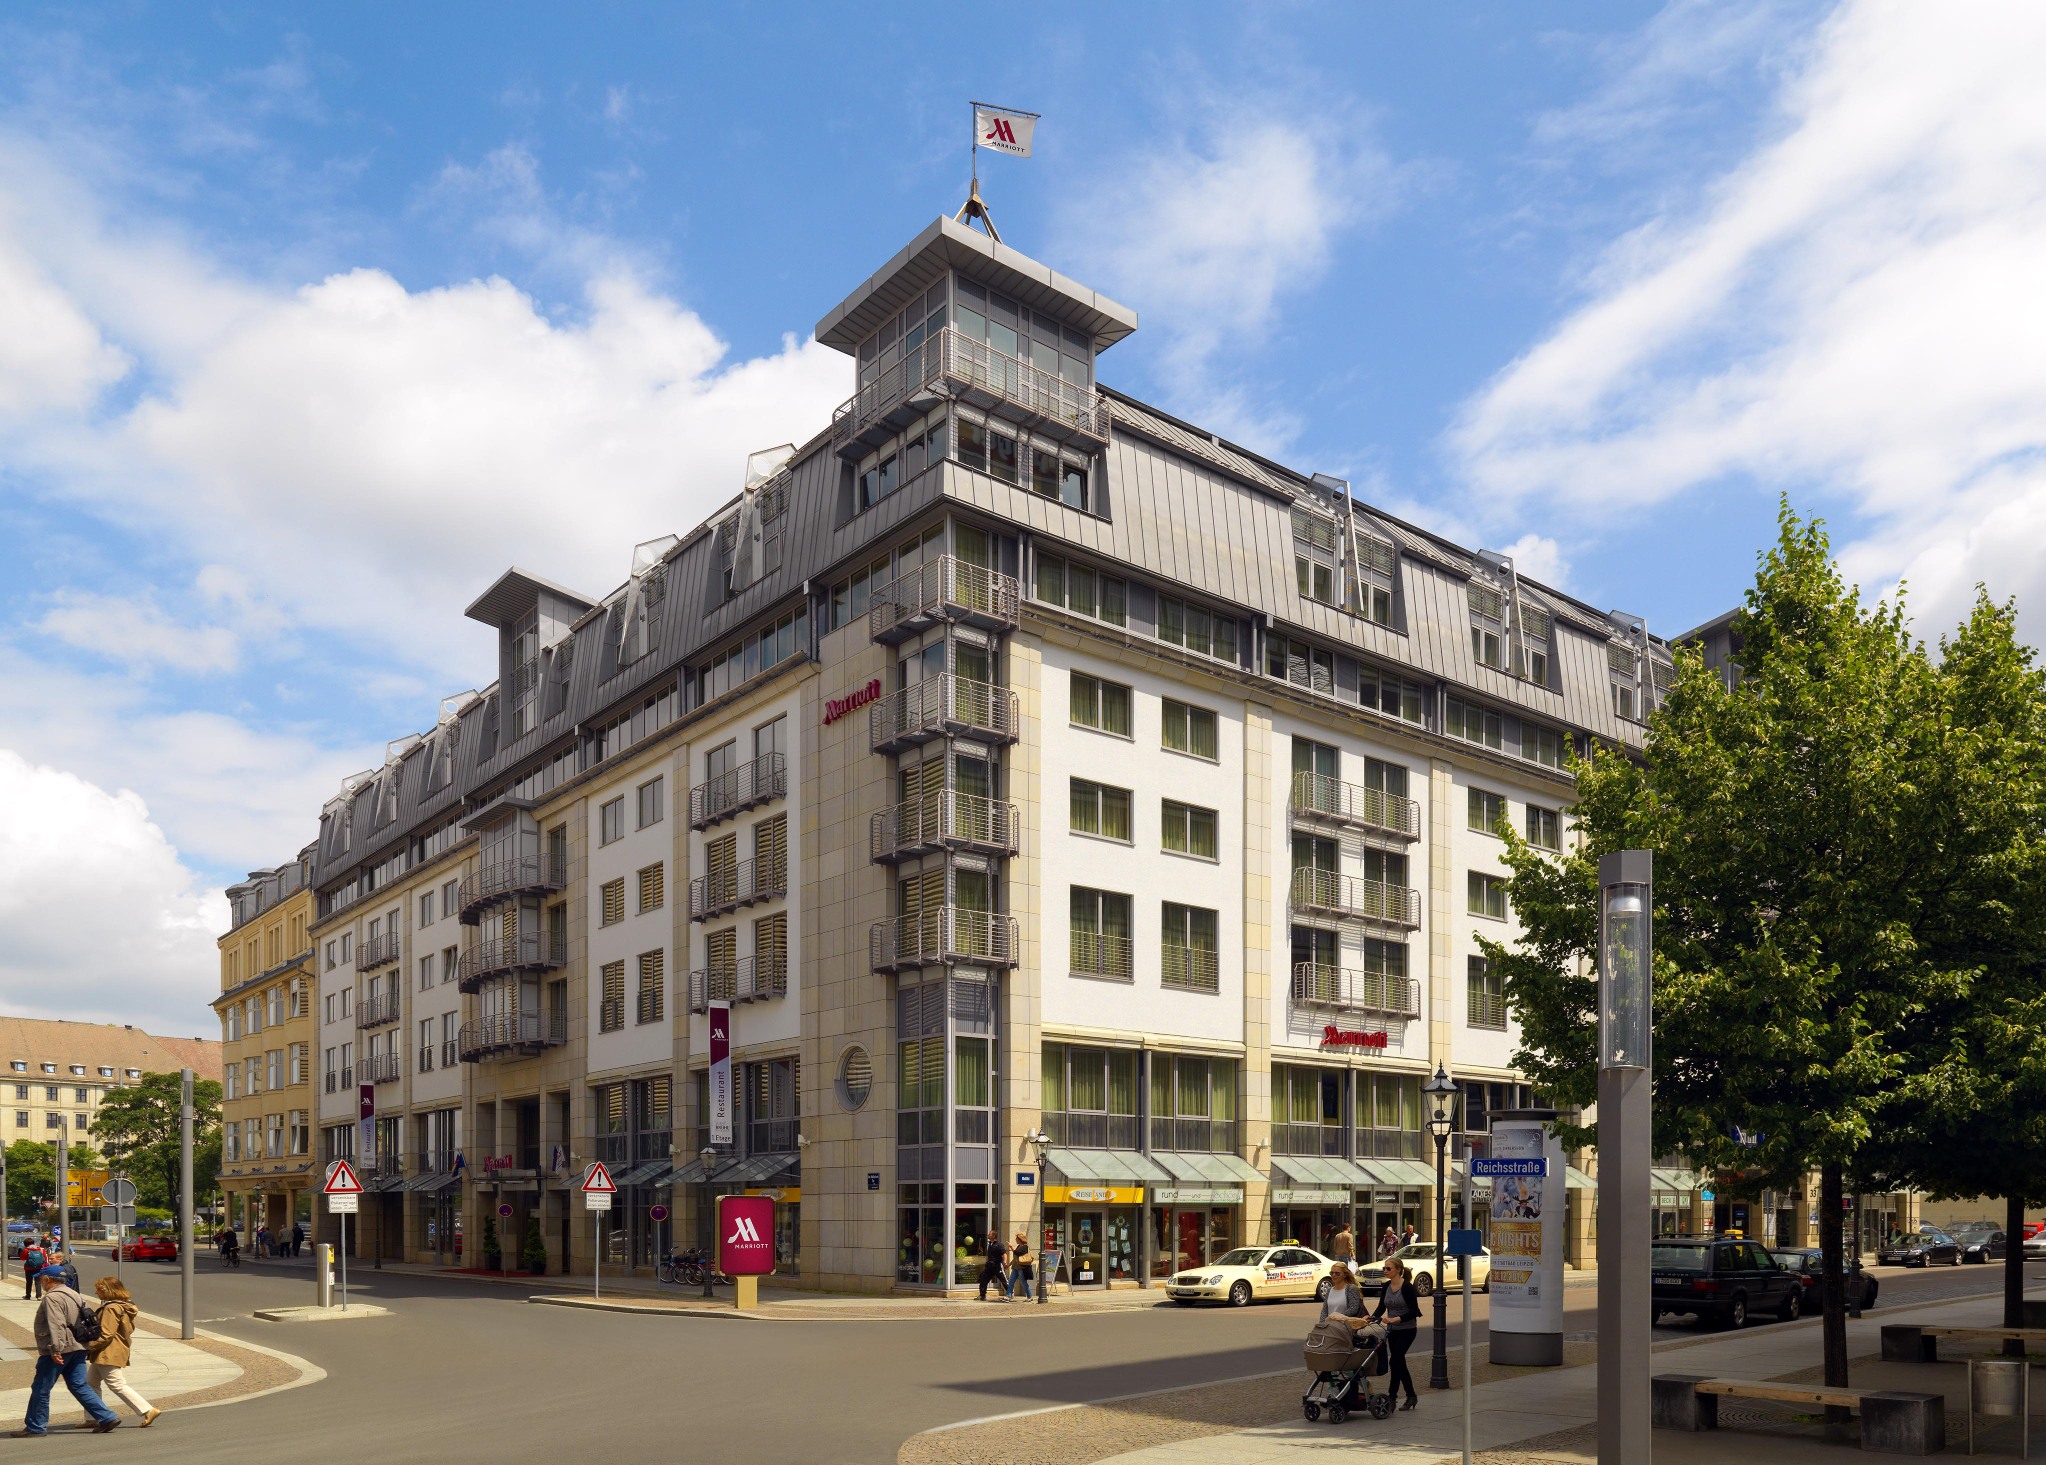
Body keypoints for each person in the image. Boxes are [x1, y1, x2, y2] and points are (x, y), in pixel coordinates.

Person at [10, 1266, 120, 1436]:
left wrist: (56, 1350)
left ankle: (36, 1426)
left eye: (41, 1278)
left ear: (48, 1279)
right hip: (78, 1346)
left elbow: (56, 1323)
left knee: (41, 1387)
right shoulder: (74, 1294)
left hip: (61, 1348)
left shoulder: (52, 1297)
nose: (40, 1281)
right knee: (79, 1385)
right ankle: (106, 1417)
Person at [86, 1277, 159, 1427]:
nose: (96, 1292)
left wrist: (88, 1346)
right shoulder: (124, 1306)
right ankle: (92, 1417)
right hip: (112, 1349)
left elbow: (106, 1334)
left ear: (108, 1290)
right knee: (90, 1384)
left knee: (116, 1384)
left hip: (108, 1351)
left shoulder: (111, 1308)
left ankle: (147, 1409)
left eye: (99, 1289)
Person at [1369, 1255, 1421, 1411]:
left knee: (1395, 1360)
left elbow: (1414, 1311)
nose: (1385, 1271)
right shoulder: (1386, 1286)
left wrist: (1396, 1319)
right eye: (1384, 1268)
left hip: (1407, 1330)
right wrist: (1371, 1318)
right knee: (1399, 1362)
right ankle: (1411, 1396)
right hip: (1392, 1330)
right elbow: (1381, 1307)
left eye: (1388, 1268)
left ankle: (1392, 1397)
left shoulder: (1407, 1287)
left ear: (1398, 1270)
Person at [975, 1233, 1011, 1302]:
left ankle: (1010, 1294)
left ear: (994, 1236)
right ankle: (982, 1295)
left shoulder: (999, 1244)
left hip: (997, 1265)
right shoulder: (990, 1244)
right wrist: (987, 1262)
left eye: (990, 1234)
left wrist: (1004, 1263)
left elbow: (1004, 1254)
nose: (988, 1235)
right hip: (989, 1266)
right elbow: (989, 1255)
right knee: (983, 1280)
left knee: (1004, 1280)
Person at [1005, 1231, 1035, 1302]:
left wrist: (1011, 1247)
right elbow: (1015, 1258)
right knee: (1011, 1281)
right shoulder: (1019, 1246)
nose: (1015, 1240)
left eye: (1017, 1239)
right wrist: (1008, 1265)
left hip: (1021, 1268)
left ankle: (1029, 1296)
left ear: (1020, 1240)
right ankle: (1008, 1296)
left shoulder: (1025, 1247)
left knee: (1023, 1282)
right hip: (1015, 1267)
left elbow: (1017, 1253)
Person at [21, 1234, 47, 1300]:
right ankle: (39, 1296)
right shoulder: (40, 1249)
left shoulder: (26, 1250)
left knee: (29, 1282)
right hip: (39, 1267)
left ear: (25, 1244)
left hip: (29, 1268)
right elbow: (45, 1258)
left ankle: (28, 1295)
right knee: (38, 1282)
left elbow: (22, 1258)